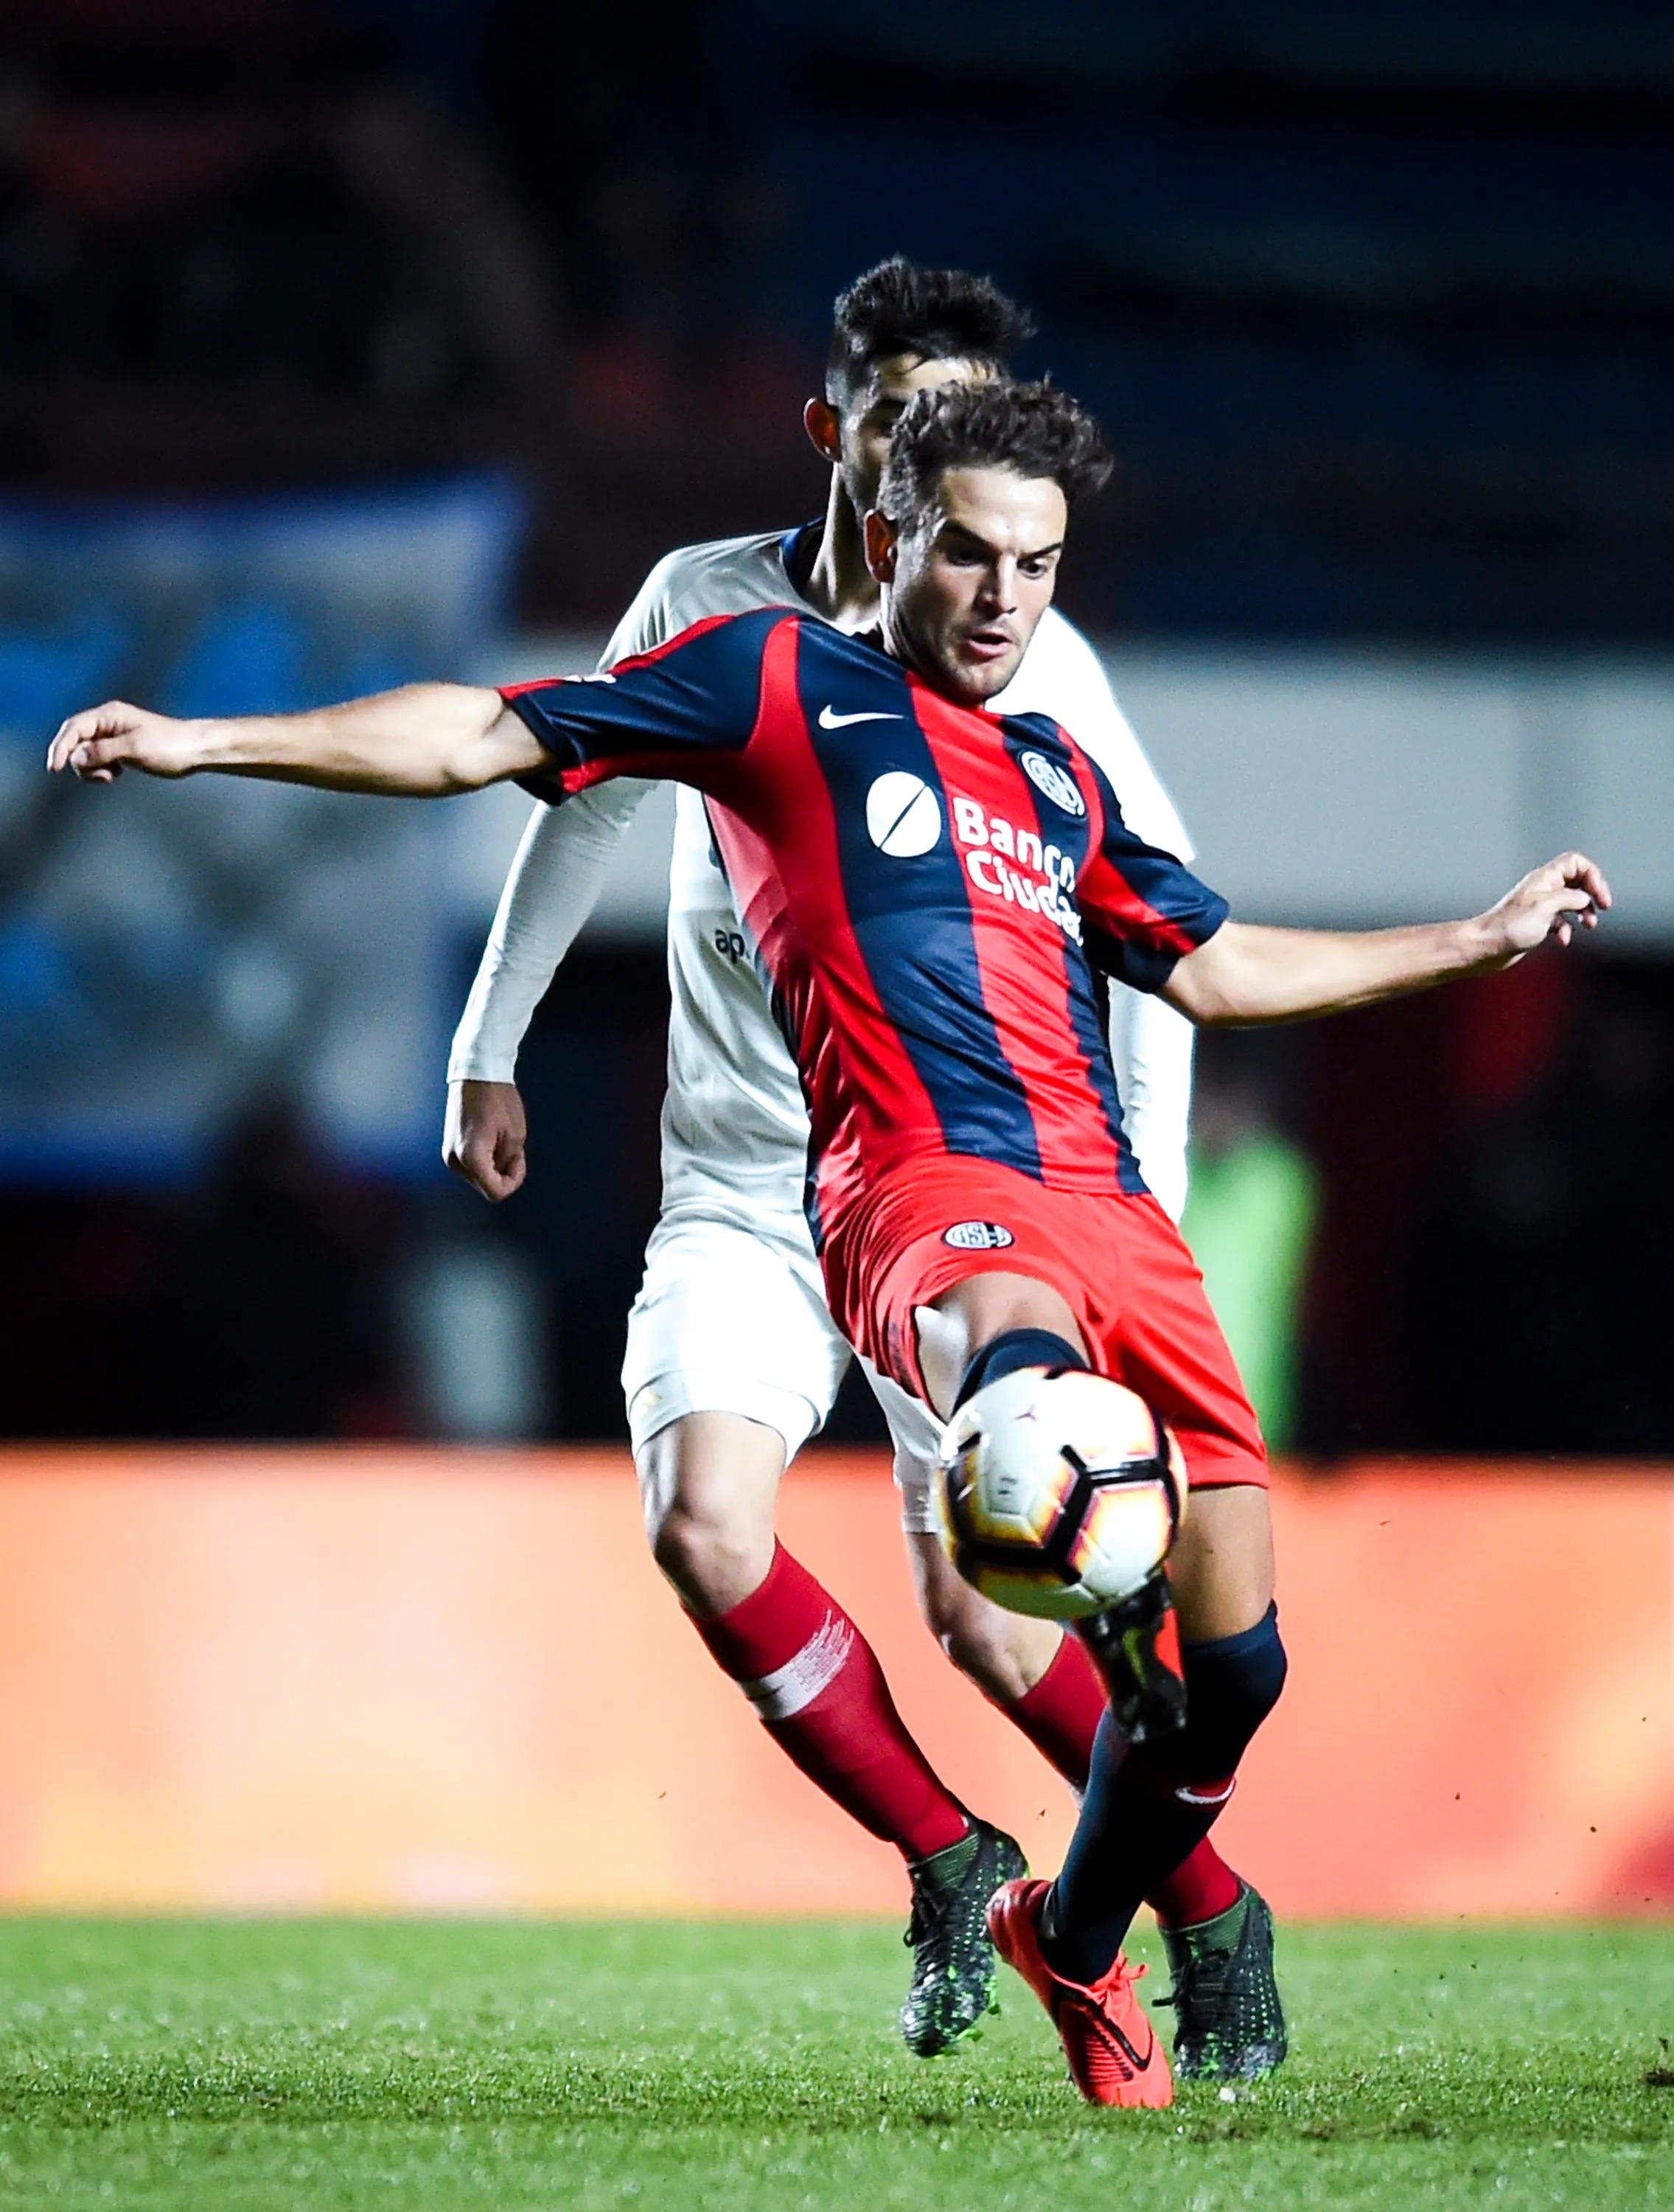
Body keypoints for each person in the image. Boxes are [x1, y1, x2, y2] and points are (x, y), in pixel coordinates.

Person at [49, 378, 1608, 2108]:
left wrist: (1477, 938)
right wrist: (205, 742)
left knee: (1236, 1672)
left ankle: (1073, 1935)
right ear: (894, 535)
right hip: (920, 1193)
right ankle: (1011, 1601)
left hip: (1112, 1214)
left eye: (1041, 563)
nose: (1008, 595)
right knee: (1005, 1389)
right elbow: (487, 738)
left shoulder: (1058, 771)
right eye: (972, 552)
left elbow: (1223, 972)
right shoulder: (777, 680)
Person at [444, 258, 1241, 2068]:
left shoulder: (1034, 659)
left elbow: (1175, 958)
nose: (936, 456)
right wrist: (491, 1037)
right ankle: (948, 1854)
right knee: (705, 1525)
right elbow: (570, 791)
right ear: (842, 434)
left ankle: (1206, 1913)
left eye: (967, 422)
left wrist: (1140, 1218)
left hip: (963, 1206)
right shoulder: (711, 608)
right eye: (906, 420)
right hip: (746, 1175)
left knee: (988, 1604)